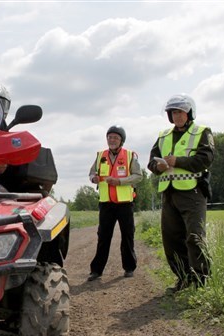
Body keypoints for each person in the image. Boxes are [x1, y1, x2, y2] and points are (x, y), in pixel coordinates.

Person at [147, 93, 215, 293]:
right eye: (173, 112)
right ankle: (183, 279)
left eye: (180, 112)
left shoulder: (202, 132)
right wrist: (157, 167)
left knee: (194, 237)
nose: (177, 116)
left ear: (189, 113)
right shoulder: (163, 136)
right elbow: (152, 160)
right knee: (171, 240)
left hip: (192, 193)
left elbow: (205, 159)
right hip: (169, 195)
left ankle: (202, 282)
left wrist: (178, 161)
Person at [87, 126, 142, 281]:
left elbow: (138, 176)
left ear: (121, 141)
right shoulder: (100, 156)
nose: (111, 140)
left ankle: (129, 267)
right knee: (103, 237)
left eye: (115, 138)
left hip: (125, 203)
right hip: (106, 203)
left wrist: (120, 181)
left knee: (127, 235)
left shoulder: (130, 155)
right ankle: (96, 270)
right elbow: (91, 173)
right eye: (109, 137)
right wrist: (93, 178)